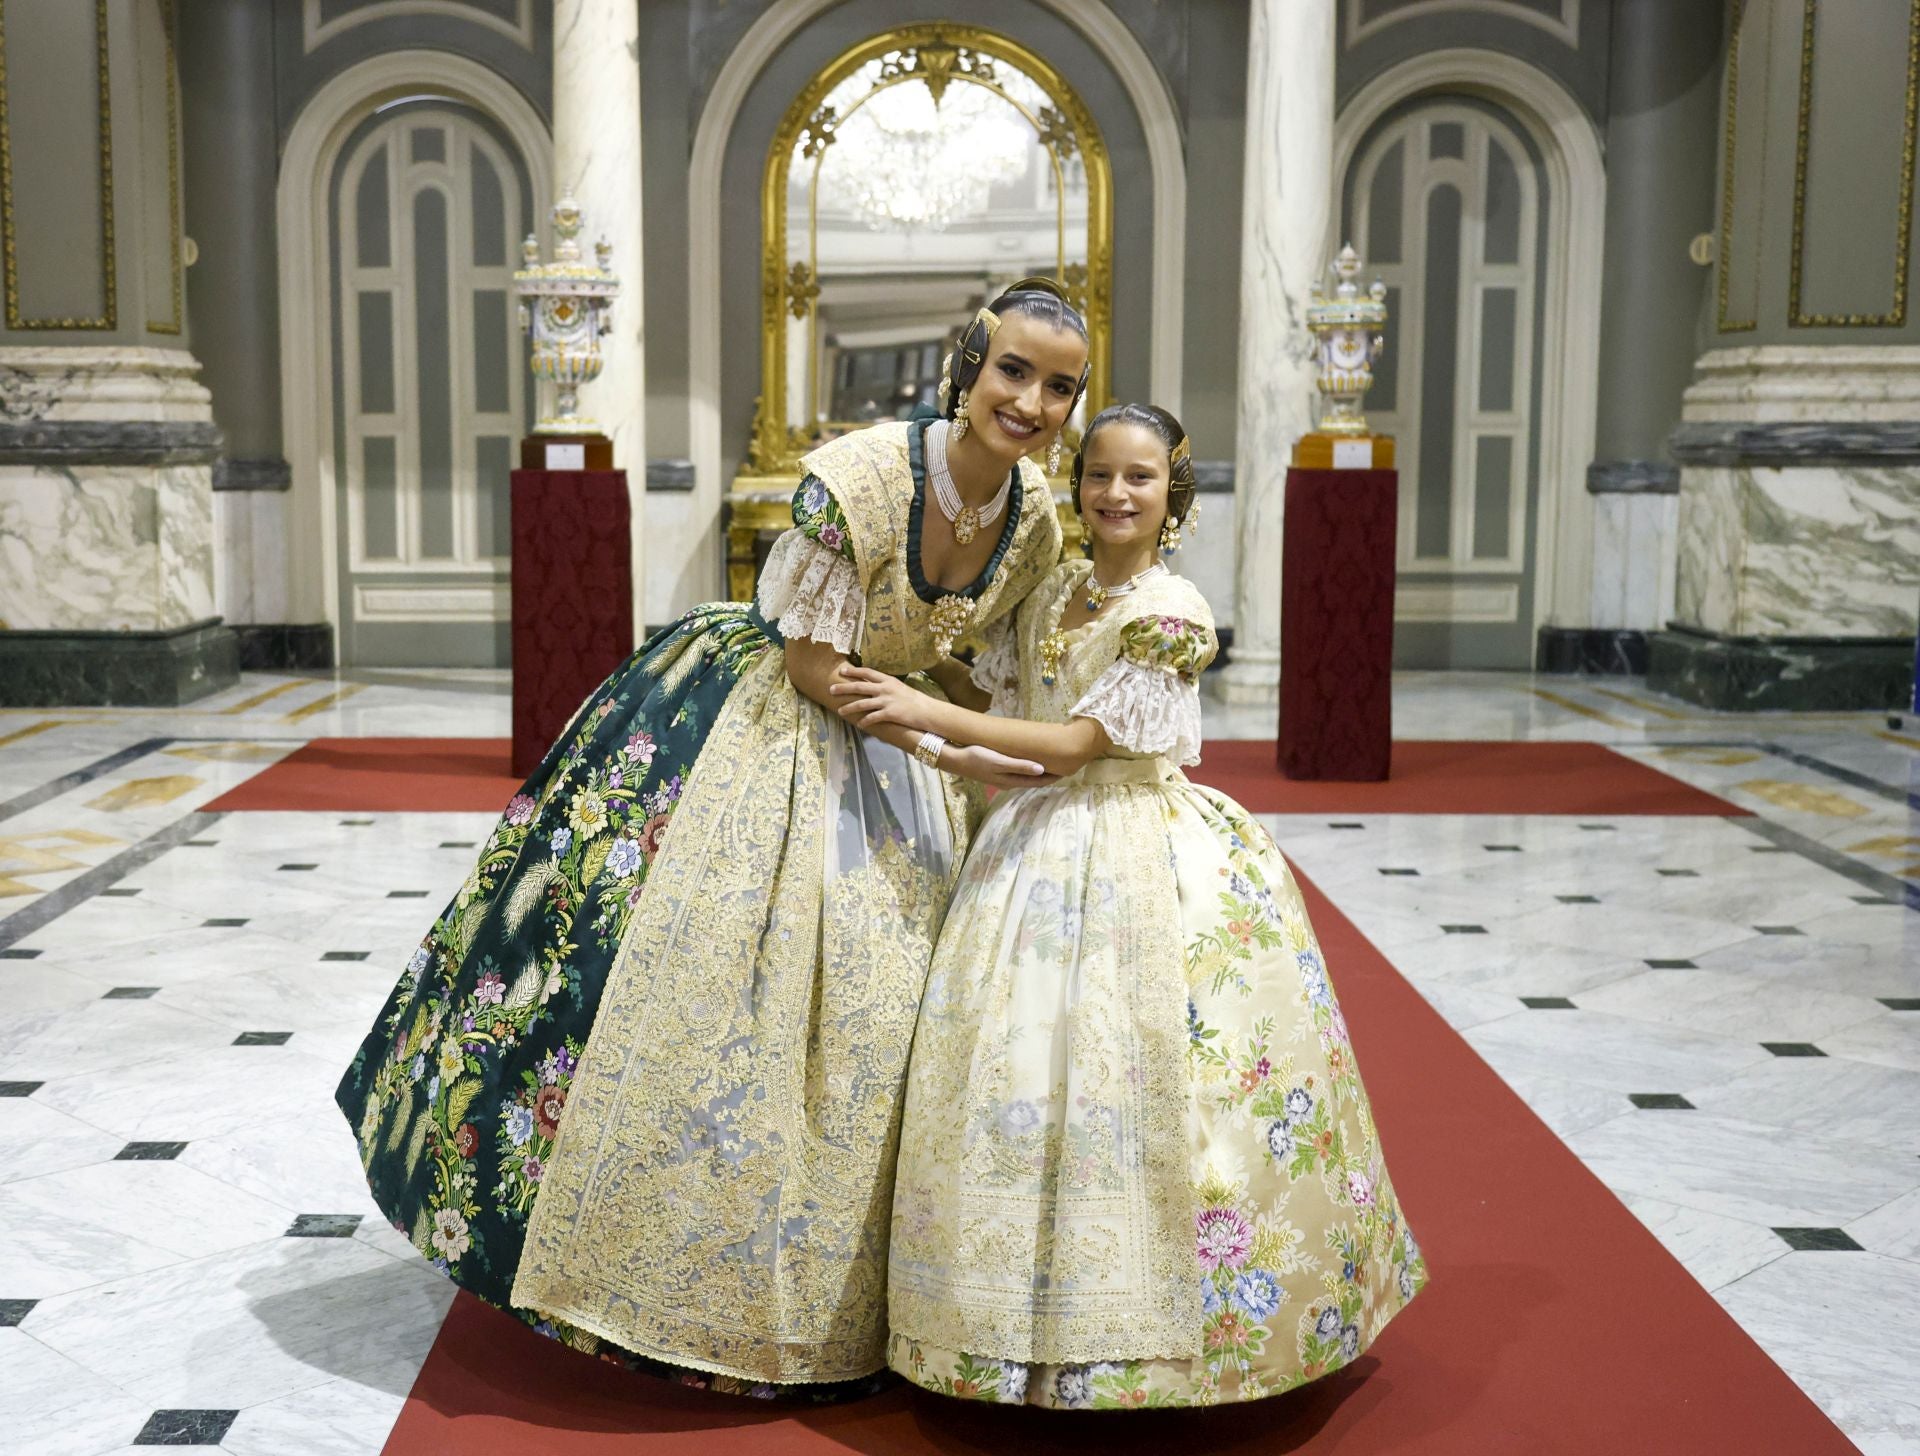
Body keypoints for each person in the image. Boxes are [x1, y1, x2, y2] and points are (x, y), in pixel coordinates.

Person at [335, 281, 1089, 1394]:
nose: (1030, 401)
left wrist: (1016, 737)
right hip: (766, 722)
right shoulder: (867, 475)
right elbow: (817, 666)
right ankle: (645, 1276)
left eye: (1059, 385)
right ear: (968, 368)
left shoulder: (1034, 512)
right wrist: (951, 748)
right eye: (1012, 371)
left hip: (900, 731)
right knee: (704, 986)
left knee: (883, 1011)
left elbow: (965, 653)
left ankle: (863, 1293)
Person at [833, 404, 1428, 1409]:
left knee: (1142, 1068)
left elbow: (1074, 746)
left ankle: (1169, 1336)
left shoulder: (1173, 611)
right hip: (1031, 846)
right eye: (1100, 475)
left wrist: (919, 717)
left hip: (1140, 846)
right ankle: (1001, 1324)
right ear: (1078, 486)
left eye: (1140, 478)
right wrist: (903, 661)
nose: (1116, 493)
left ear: (1172, 494)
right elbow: (1010, 722)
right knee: (1021, 1071)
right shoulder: (1056, 589)